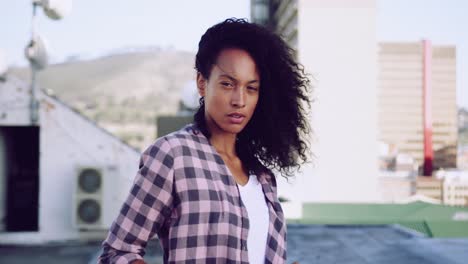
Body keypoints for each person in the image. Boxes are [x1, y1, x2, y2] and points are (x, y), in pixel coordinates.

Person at [98, 18, 311, 264]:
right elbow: (118, 252)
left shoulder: (262, 176)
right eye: (227, 84)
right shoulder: (172, 155)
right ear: (202, 83)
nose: (239, 100)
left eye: (251, 88)